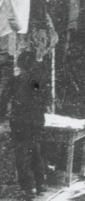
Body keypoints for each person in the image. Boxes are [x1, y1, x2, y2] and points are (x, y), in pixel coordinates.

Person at [0, 51, 48, 199]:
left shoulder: (14, 81)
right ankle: (40, 184)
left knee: (21, 153)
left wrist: (1, 119)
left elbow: (3, 101)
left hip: (19, 121)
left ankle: (29, 188)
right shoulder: (35, 81)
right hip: (36, 120)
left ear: (19, 64)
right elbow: (43, 99)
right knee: (35, 149)